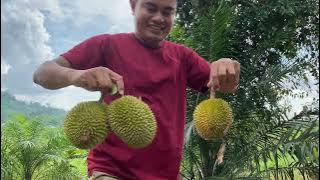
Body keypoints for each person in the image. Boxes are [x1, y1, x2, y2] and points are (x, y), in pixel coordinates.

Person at [33, 0, 240, 179]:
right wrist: (76, 75)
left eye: (167, 12)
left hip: (166, 176)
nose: (159, 18)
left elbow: (225, 84)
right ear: (133, 5)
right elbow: (42, 73)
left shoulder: (182, 57)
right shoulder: (106, 45)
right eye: (150, 8)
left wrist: (228, 67)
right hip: (110, 172)